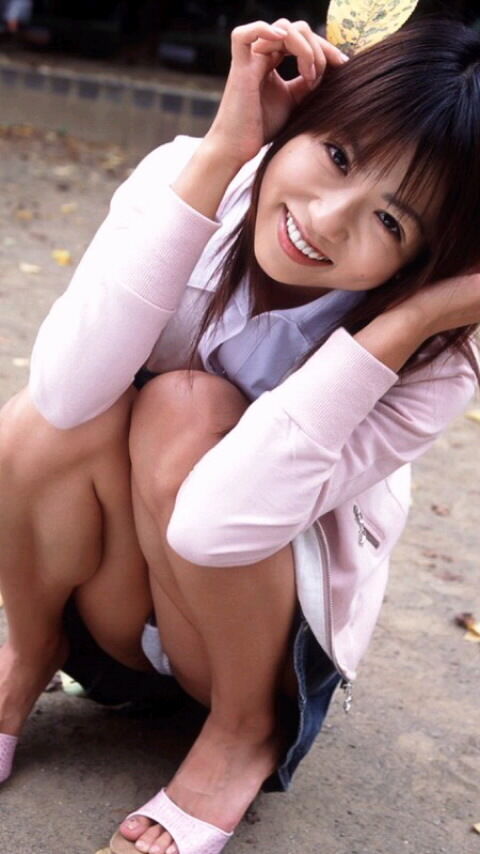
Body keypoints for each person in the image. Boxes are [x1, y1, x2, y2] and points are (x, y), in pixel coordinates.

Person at [1, 15, 480, 854]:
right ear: (310, 114)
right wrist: (225, 150)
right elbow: (65, 398)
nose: (326, 219)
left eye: (391, 223)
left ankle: (239, 734)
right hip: (113, 613)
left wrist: (406, 324)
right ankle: (31, 651)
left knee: (184, 410)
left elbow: (218, 525)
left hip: (245, 651)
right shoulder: (189, 173)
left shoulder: (437, 355)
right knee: (41, 419)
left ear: (429, 262)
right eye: (339, 155)